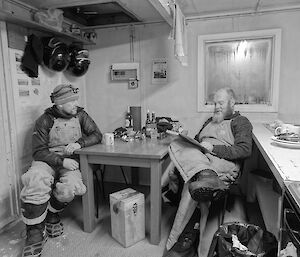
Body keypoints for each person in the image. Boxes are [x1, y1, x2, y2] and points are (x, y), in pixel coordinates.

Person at [163, 87, 253, 256]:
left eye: (221, 103)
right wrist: (185, 137)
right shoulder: (209, 121)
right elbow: (196, 141)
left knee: (190, 185)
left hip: (222, 162)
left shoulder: (241, 122)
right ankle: (201, 178)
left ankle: (174, 240)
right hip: (203, 161)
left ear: (232, 103)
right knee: (176, 145)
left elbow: (245, 150)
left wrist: (214, 148)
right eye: (215, 103)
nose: (216, 107)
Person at [20, 84, 102, 257]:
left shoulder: (80, 115)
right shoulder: (44, 120)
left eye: (75, 100)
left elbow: (96, 134)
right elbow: (38, 151)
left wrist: (80, 144)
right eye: (70, 101)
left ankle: (52, 214)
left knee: (72, 187)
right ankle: (35, 233)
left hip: (71, 161)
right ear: (59, 104)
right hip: (47, 159)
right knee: (35, 179)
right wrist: (60, 161)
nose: (75, 104)